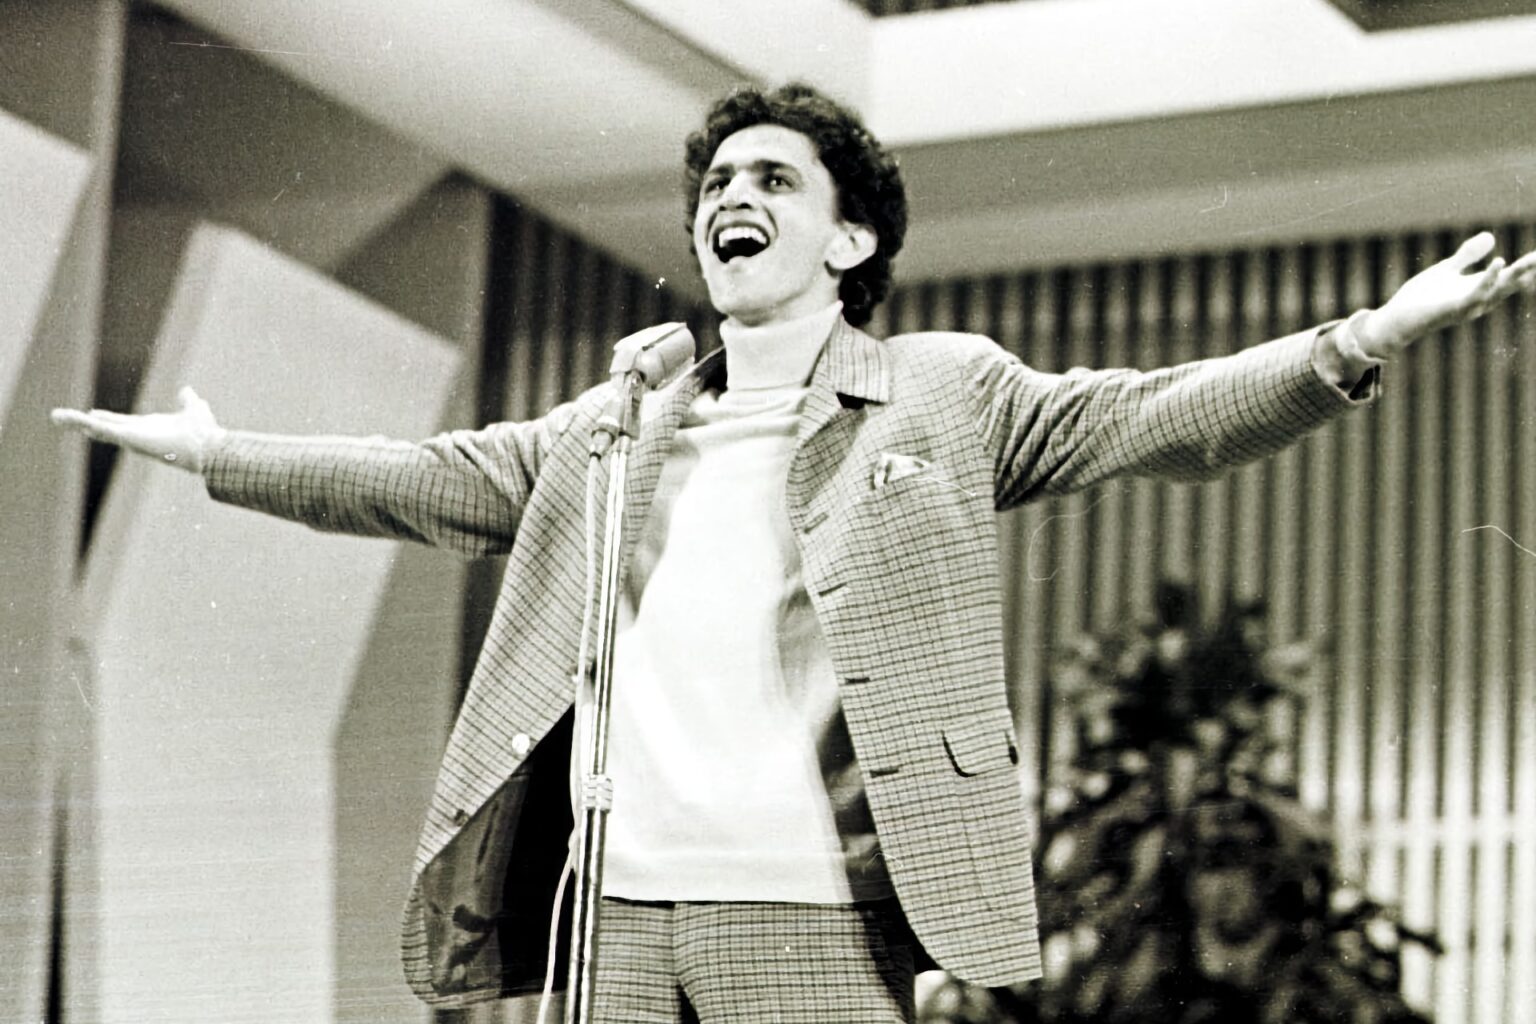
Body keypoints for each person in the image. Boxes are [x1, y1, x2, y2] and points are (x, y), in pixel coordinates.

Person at [54, 83, 1536, 1023]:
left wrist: (1365, 336)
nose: (729, 201)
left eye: (772, 179)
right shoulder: (622, 421)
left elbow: (1158, 416)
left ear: (846, 242)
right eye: (714, 187)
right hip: (613, 915)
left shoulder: (947, 393)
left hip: (814, 914)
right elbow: (433, 479)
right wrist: (218, 456)